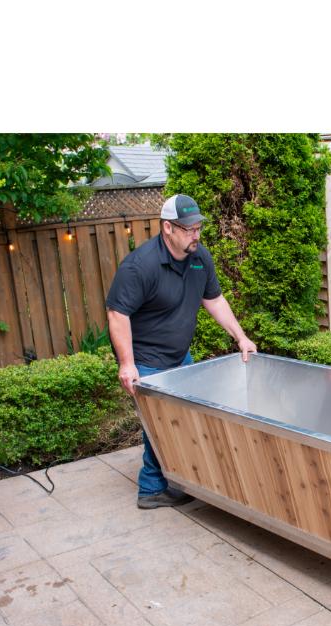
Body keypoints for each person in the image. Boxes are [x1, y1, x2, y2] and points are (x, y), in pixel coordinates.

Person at [106, 194, 257, 509]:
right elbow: (118, 314)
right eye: (189, 229)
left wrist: (241, 337)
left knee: (184, 421)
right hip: (146, 361)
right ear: (167, 228)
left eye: (198, 228)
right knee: (159, 425)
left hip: (178, 356)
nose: (195, 235)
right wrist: (127, 364)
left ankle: (179, 478)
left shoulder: (200, 257)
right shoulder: (141, 266)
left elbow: (214, 299)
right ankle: (151, 489)